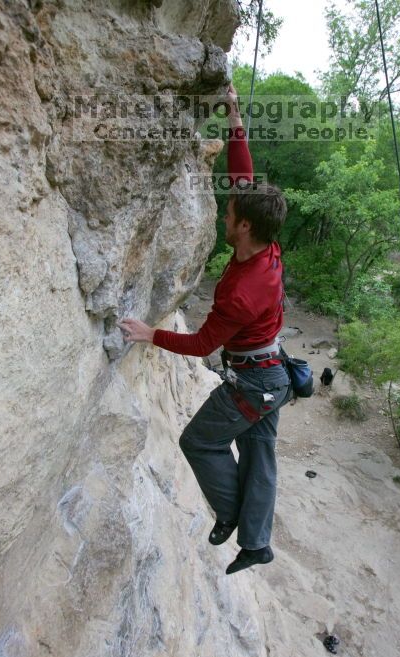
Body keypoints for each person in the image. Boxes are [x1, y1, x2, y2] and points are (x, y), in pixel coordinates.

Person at [117, 84, 291, 575]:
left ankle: (233, 514)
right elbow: (244, 175)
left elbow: (201, 345)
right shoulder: (264, 244)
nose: (226, 211)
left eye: (231, 213)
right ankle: (256, 543)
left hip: (255, 382)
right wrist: (234, 118)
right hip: (271, 375)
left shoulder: (243, 292)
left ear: (243, 229)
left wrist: (151, 334)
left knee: (200, 442)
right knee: (259, 455)